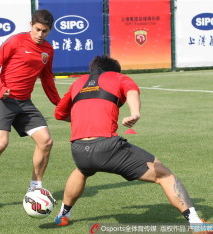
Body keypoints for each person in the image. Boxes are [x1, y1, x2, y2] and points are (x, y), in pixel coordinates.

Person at [53, 55, 204, 226]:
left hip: (79, 149)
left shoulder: (78, 82)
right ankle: (196, 223)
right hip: (107, 147)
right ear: (114, 70)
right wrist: (135, 113)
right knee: (164, 174)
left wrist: (84, 118)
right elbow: (132, 90)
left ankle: (63, 215)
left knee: (82, 170)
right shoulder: (119, 77)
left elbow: (59, 114)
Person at [0, 9, 61, 210]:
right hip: (1, 100)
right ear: (31, 25)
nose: (40, 34)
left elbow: (47, 78)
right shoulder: (16, 41)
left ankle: (35, 188)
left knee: (46, 141)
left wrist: (59, 104)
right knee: (0, 144)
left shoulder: (48, 50)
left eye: (45, 31)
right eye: (37, 29)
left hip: (24, 102)